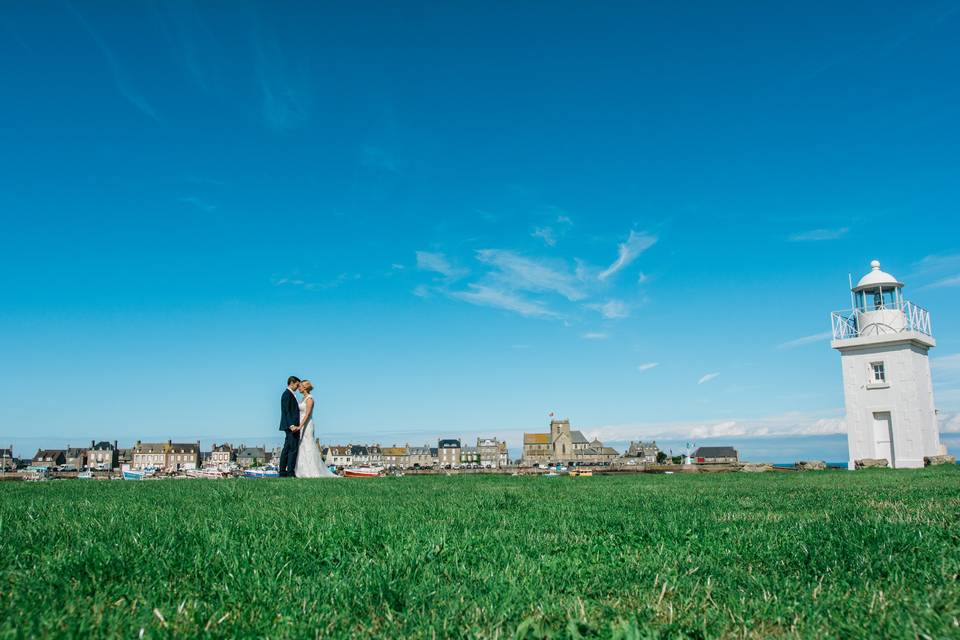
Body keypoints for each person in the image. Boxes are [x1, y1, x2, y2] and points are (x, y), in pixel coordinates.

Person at [294, 380, 339, 478]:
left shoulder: (310, 399)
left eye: (300, 386)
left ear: (305, 387)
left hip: (306, 425)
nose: (299, 388)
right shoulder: (302, 399)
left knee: (308, 446)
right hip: (300, 424)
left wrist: (300, 426)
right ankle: (301, 470)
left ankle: (312, 470)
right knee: (301, 447)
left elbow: (307, 414)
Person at [278, 376, 302, 477]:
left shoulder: (290, 394)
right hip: (291, 426)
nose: (298, 387)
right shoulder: (287, 394)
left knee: (287, 449)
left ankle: (283, 472)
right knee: (293, 449)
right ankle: (290, 472)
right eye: (297, 385)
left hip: (290, 425)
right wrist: (291, 424)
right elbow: (286, 411)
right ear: (292, 383)